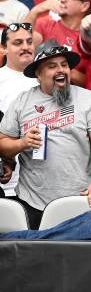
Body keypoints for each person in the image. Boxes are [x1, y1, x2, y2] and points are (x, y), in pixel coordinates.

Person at [0, 40, 91, 229]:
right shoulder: (22, 102)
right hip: (33, 200)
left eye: (64, 65)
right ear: (38, 74)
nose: (61, 70)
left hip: (82, 197)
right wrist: (22, 143)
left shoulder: (88, 98)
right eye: (52, 66)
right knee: (36, 257)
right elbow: (3, 143)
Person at [0, 22, 38, 198]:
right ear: (3, 48)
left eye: (29, 42)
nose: (25, 47)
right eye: (18, 43)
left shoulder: (46, 78)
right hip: (8, 184)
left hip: (43, 185)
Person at [25, 0, 91, 49]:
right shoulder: (45, 24)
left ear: (84, 6)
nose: (62, 0)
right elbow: (23, 45)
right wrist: (35, 11)